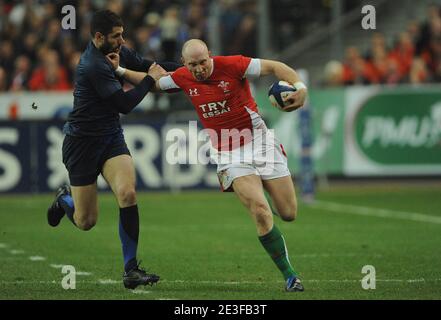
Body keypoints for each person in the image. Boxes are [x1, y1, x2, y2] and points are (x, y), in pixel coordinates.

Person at [107, 39, 307, 292]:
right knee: (260, 211)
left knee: (288, 213)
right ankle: (290, 277)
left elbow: (276, 67)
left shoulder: (234, 65)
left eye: (203, 62)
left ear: (210, 56)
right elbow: (155, 84)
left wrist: (300, 87)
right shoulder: (183, 77)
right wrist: (119, 71)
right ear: (184, 64)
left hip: (261, 143)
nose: (199, 68)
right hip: (228, 153)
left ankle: (270, 195)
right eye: (193, 65)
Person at [46, 10, 180, 290]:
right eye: (116, 36)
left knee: (127, 193)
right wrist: (147, 79)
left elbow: (149, 64)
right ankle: (64, 201)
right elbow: (124, 104)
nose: (122, 40)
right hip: (81, 144)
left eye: (122, 35)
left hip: (110, 138)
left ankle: (131, 269)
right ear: (98, 37)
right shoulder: (91, 66)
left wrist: (188, 69)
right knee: (86, 222)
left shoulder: (116, 50)